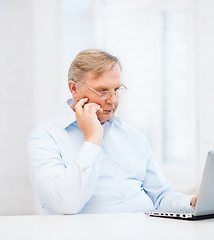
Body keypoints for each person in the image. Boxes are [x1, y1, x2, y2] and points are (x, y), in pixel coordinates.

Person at [27, 48, 197, 214]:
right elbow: (65, 204)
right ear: (74, 88)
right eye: (102, 91)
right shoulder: (45, 137)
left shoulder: (133, 136)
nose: (113, 100)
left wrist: (193, 202)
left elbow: (160, 197)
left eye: (116, 90)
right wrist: (92, 139)